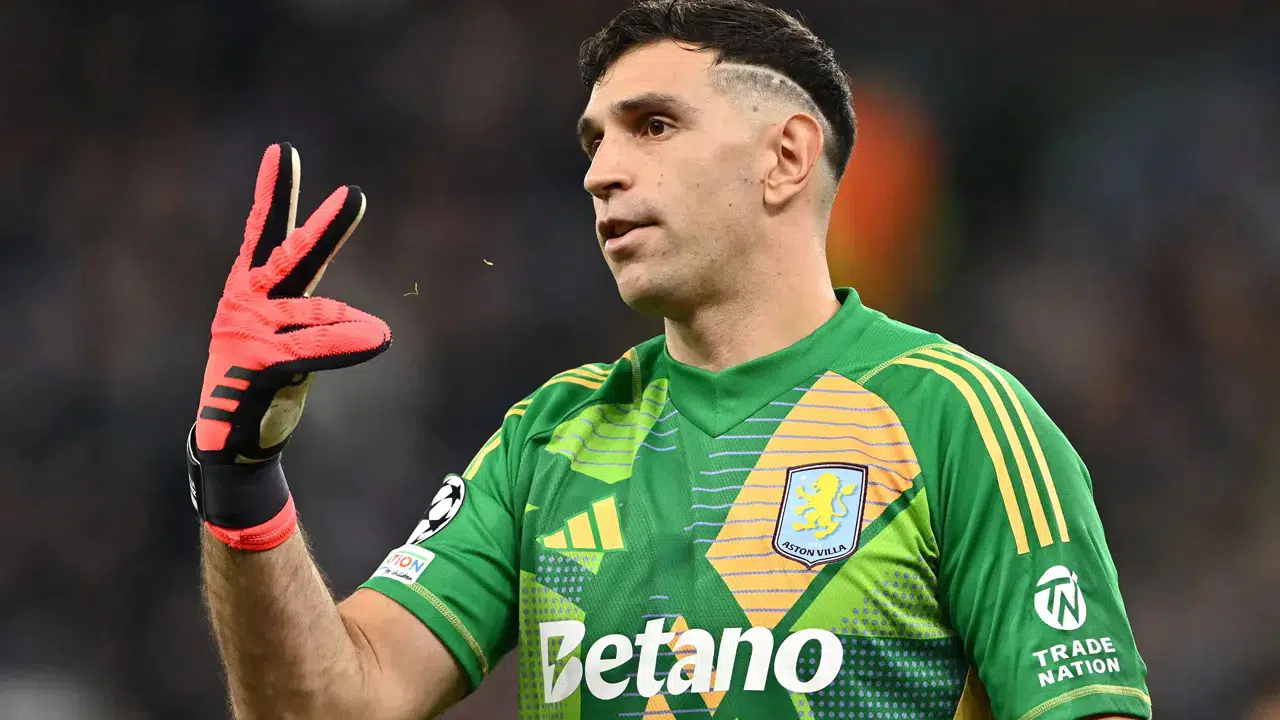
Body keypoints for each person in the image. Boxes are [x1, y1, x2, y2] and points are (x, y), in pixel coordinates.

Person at [188, 1, 1152, 718]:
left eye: (653, 125)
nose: (600, 172)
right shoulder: (547, 440)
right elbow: (330, 705)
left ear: (785, 158)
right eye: (594, 141)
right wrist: (240, 482)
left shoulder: (953, 417)